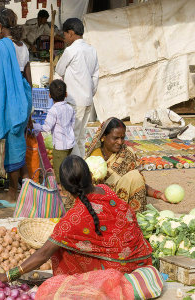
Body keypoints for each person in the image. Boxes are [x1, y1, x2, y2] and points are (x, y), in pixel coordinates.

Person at [0, 155, 153, 283]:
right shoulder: (105, 190)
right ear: (90, 176)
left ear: (64, 189)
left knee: (63, 248)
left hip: (115, 275)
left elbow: (43, 254)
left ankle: (75, 281)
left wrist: (6, 276)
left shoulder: (74, 219)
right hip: (140, 263)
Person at [0, 8, 32, 203]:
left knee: (11, 146)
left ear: (1, 26)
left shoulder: (1, 48)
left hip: (7, 102)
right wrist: (30, 107)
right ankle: (26, 184)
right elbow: (28, 77)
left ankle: (13, 190)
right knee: (18, 142)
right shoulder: (23, 47)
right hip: (22, 99)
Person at [85, 117, 171, 212]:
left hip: (122, 205)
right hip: (99, 205)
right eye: (116, 138)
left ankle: (134, 218)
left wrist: (159, 195)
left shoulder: (127, 153)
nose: (120, 142)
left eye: (122, 138)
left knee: (135, 175)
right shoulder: (93, 159)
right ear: (103, 137)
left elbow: (137, 182)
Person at [55, 18, 99, 158]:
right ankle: (82, 163)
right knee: (80, 137)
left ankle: (76, 169)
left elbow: (59, 69)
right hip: (87, 99)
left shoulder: (71, 50)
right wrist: (90, 93)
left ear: (71, 33)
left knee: (72, 137)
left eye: (65, 35)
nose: (64, 38)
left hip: (74, 100)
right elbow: (95, 76)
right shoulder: (91, 50)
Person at [33, 79, 75, 184]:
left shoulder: (53, 110)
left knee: (60, 171)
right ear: (66, 94)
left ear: (49, 96)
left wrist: (36, 126)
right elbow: (72, 124)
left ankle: (63, 191)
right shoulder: (70, 108)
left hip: (60, 146)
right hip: (70, 144)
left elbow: (46, 127)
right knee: (68, 168)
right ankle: (69, 187)